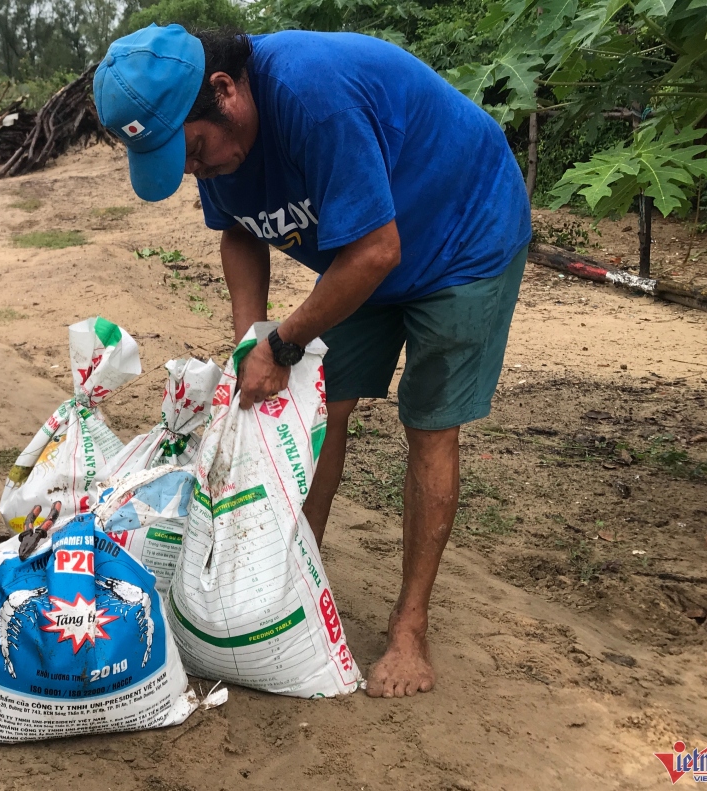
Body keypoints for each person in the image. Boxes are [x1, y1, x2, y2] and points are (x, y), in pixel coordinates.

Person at [93, 24, 531, 699]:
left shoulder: (312, 98)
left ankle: (409, 628)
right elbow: (238, 232)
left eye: (196, 152)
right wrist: (253, 342)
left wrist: (285, 343)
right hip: (363, 249)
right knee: (323, 403)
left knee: (429, 422)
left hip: (460, 235)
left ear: (225, 91)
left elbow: (379, 250)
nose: (197, 170)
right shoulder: (218, 143)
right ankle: (289, 578)